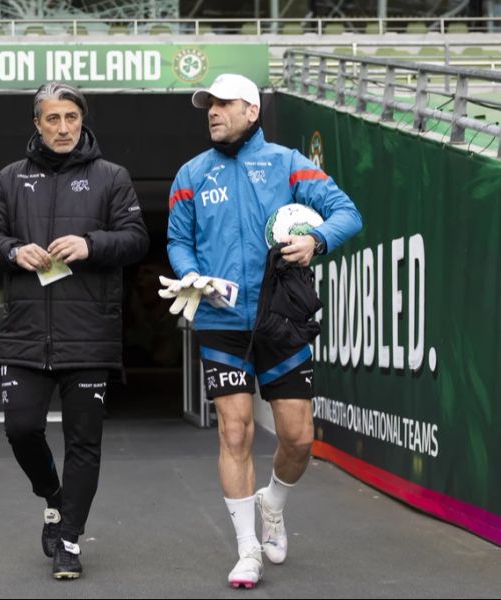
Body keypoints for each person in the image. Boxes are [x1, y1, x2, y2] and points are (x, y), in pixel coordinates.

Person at [165, 73, 362, 589]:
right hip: (221, 321)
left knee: (298, 439)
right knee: (234, 432)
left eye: (224, 103)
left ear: (252, 111)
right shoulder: (190, 173)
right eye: (208, 104)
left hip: (282, 317)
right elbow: (178, 239)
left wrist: (316, 241)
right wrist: (190, 273)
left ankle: (272, 501)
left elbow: (348, 214)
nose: (212, 111)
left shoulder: (289, 164)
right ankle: (247, 550)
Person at [0, 82, 149, 580]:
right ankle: (52, 495)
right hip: (25, 333)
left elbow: (136, 238)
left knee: (84, 444)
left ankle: (69, 541)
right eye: (53, 118)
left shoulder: (111, 177)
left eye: (71, 117)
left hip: (88, 334)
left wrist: (91, 244)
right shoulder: (10, 179)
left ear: (83, 119)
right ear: (37, 123)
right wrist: (13, 251)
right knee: (21, 429)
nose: (63, 128)